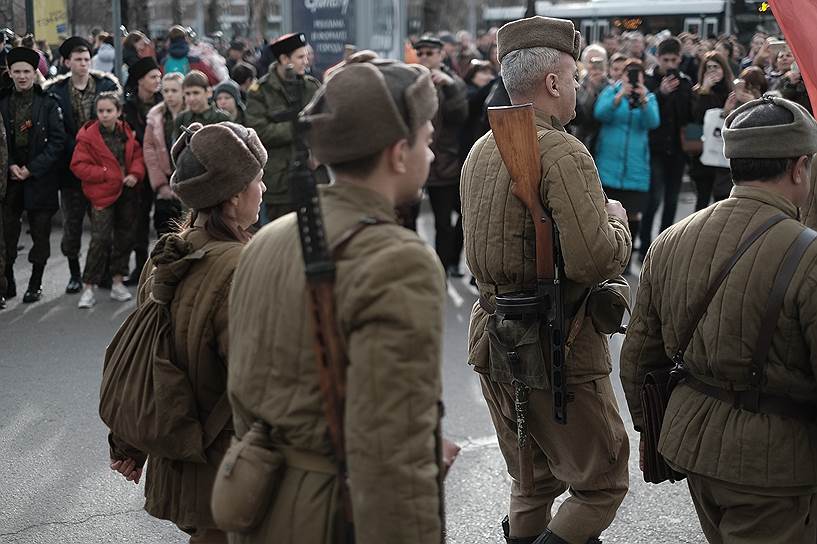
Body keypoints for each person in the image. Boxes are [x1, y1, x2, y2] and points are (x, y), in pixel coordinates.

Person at [224, 59, 448, 543]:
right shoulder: (398, 260)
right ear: (397, 154)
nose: (431, 152)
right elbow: (393, 456)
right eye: (427, 139)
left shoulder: (267, 238)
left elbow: (245, 394)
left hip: (261, 505)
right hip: (336, 518)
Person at [460, 16, 631, 544]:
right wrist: (618, 223)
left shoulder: (481, 149)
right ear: (553, 83)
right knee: (601, 483)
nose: (578, 86)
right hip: (558, 346)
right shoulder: (561, 149)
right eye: (574, 76)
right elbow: (593, 260)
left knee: (532, 483)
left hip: (496, 339)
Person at [620, 96, 817, 544]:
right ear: (800, 167)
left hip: (693, 445)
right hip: (776, 465)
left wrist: (656, 429)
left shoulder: (670, 239)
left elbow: (637, 359)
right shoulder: (808, 254)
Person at [109, 121, 267, 544]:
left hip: (184, 460)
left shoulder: (168, 254)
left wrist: (130, 444)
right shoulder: (240, 269)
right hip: (231, 468)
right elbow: (263, 388)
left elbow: (149, 360)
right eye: (257, 179)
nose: (263, 189)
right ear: (234, 195)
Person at [45, 35, 120, 295]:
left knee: (102, 225)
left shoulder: (105, 85)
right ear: (66, 62)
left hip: (99, 168)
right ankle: (75, 273)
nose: (83, 64)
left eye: (87, 59)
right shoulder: (55, 92)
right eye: (78, 60)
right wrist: (75, 148)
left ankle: (102, 272)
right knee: (72, 225)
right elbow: (53, 130)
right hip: (69, 169)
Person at [1, 47, 67, 304]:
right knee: (7, 235)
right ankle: (6, 283)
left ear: (35, 72)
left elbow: (57, 142)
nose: (21, 76)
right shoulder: (3, 101)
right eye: (16, 71)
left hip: (40, 179)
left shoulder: (48, 103)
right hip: (9, 179)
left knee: (40, 235)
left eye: (26, 71)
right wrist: (10, 167)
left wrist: (32, 168)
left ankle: (35, 283)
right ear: (9, 72)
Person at [70, 92, 145, 308]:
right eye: (101, 111)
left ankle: (118, 281)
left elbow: (137, 156)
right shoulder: (88, 137)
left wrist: (135, 174)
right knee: (100, 239)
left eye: (109, 111)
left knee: (124, 237)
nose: (104, 115)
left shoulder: (126, 132)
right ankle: (88, 286)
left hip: (126, 193)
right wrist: (104, 173)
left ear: (118, 112)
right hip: (101, 194)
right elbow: (78, 165)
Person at [244, 32, 320, 223]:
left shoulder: (311, 87)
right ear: (284, 59)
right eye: (300, 57)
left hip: (313, 177)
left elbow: (324, 122)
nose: (306, 62)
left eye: (306, 56)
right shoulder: (261, 92)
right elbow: (259, 131)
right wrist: (297, 128)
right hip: (280, 183)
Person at [594, 58, 660, 274]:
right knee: (606, 214)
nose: (632, 79)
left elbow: (653, 123)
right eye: (628, 74)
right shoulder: (611, 92)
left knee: (633, 215)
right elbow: (600, 113)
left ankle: (626, 260)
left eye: (637, 75)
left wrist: (642, 101)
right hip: (609, 165)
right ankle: (607, 258)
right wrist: (620, 96)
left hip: (635, 167)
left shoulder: (648, 96)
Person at [412, 34, 468, 277]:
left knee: (443, 223)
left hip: (444, 163)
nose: (424, 57)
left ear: (441, 54)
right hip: (414, 160)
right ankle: (414, 268)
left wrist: (450, 87)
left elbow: (460, 116)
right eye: (420, 53)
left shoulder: (452, 82)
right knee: (407, 220)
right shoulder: (412, 78)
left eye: (429, 53)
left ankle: (441, 270)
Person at [640, 36, 693, 257]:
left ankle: (664, 247)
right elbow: (649, 113)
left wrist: (677, 93)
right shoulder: (650, 81)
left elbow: (688, 115)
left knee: (671, 200)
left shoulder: (686, 82)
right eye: (666, 60)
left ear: (679, 59)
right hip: (655, 148)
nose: (670, 65)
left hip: (677, 150)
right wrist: (661, 94)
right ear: (658, 58)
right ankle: (644, 246)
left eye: (674, 60)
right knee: (653, 199)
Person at [122, 56, 163, 285]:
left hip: (161, 169)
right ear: (140, 80)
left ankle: (163, 267)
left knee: (164, 218)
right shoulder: (128, 107)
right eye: (153, 77)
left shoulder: (164, 102)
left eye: (159, 76)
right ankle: (139, 268)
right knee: (138, 220)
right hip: (137, 170)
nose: (158, 80)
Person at [690, 51, 735, 210]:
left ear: (723, 69)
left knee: (722, 200)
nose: (712, 71)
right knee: (702, 201)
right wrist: (704, 92)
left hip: (723, 152)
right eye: (708, 68)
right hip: (702, 152)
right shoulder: (697, 92)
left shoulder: (731, 91)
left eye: (716, 67)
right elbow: (696, 118)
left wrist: (726, 112)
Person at [144, 72, 185, 237]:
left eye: (174, 90)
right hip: (164, 178)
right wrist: (161, 184)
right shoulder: (156, 115)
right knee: (164, 230)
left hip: (186, 181)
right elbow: (149, 149)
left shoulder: (190, 115)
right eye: (166, 91)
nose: (170, 95)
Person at [171, 70, 231, 142]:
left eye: (196, 93)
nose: (191, 98)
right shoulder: (181, 118)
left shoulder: (221, 118)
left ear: (208, 93)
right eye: (187, 94)